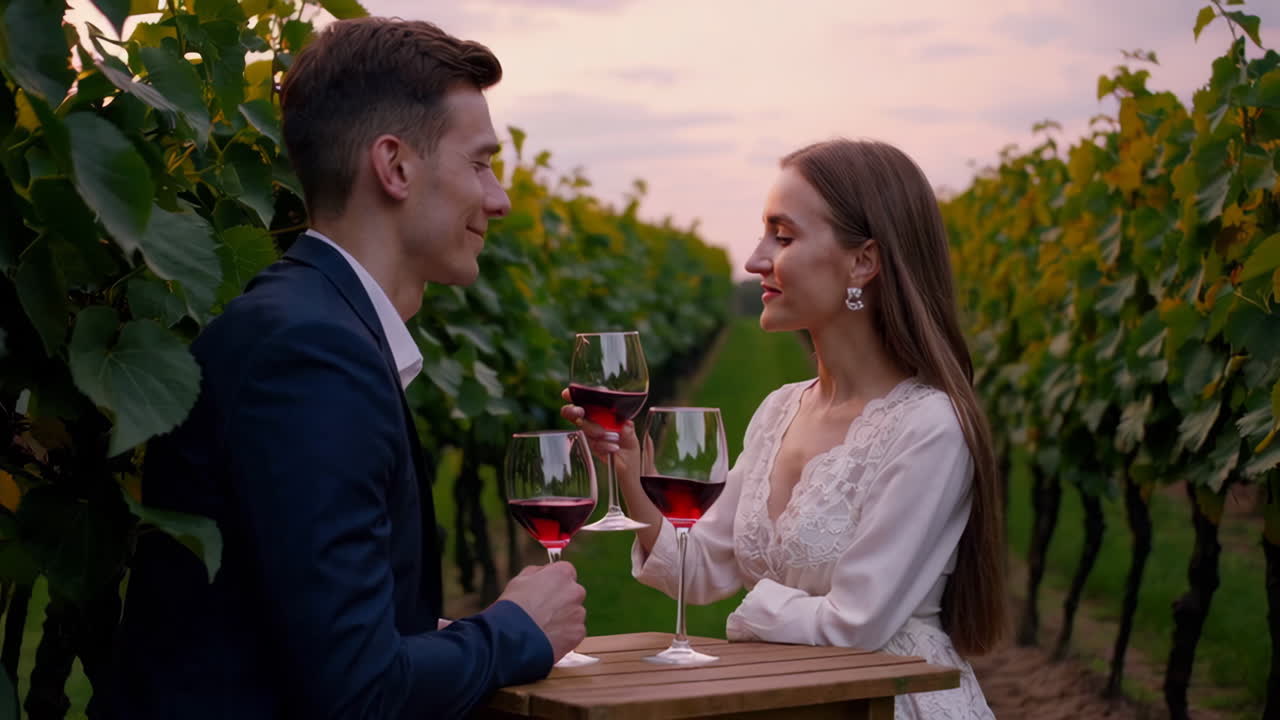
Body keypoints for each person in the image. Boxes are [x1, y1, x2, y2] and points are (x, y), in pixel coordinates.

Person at [106, 18, 586, 720]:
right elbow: (360, 691)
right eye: (480, 163)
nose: (499, 198)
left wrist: (433, 640)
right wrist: (516, 630)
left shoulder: (311, 325)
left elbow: (313, 638)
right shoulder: (310, 355)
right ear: (394, 167)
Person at [564, 139, 1005, 719]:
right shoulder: (780, 410)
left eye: (784, 236)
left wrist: (751, 613)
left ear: (863, 262)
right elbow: (697, 568)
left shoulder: (929, 426)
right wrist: (626, 467)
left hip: (891, 705)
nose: (754, 260)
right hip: (792, 699)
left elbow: (857, 625)